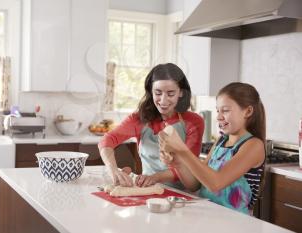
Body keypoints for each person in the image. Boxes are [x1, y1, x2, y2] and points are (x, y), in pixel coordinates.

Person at [159, 82, 266, 214]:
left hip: (235, 223)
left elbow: (216, 183)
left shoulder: (253, 145)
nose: (219, 117)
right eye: (218, 111)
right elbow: (195, 184)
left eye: (225, 110)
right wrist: (178, 162)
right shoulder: (221, 141)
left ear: (248, 111)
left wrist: (182, 150)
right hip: (208, 216)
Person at [98, 63, 204, 188]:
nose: (163, 101)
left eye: (170, 94)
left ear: (181, 92)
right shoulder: (139, 119)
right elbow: (107, 140)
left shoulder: (194, 122)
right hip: (148, 190)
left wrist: (156, 177)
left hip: (182, 195)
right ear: (150, 91)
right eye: (158, 93)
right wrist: (114, 171)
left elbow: (189, 167)